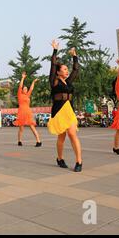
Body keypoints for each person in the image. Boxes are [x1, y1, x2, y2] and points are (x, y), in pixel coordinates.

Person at [47, 40, 83, 172]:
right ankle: (60, 158)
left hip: (69, 110)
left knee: (73, 134)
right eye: (64, 69)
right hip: (58, 111)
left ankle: (79, 161)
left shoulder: (68, 81)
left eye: (67, 69)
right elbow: (52, 63)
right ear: (58, 72)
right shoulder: (54, 81)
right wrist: (55, 50)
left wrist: (74, 55)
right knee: (61, 137)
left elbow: (76, 69)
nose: (67, 71)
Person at [13, 72, 42, 147]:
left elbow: (31, 88)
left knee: (32, 126)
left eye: (26, 88)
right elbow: (20, 86)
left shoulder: (27, 95)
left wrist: (33, 82)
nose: (26, 89)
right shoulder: (19, 94)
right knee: (21, 128)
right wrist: (22, 78)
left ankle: (38, 141)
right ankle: (19, 141)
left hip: (28, 112)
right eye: (24, 88)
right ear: (22, 90)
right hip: (21, 112)